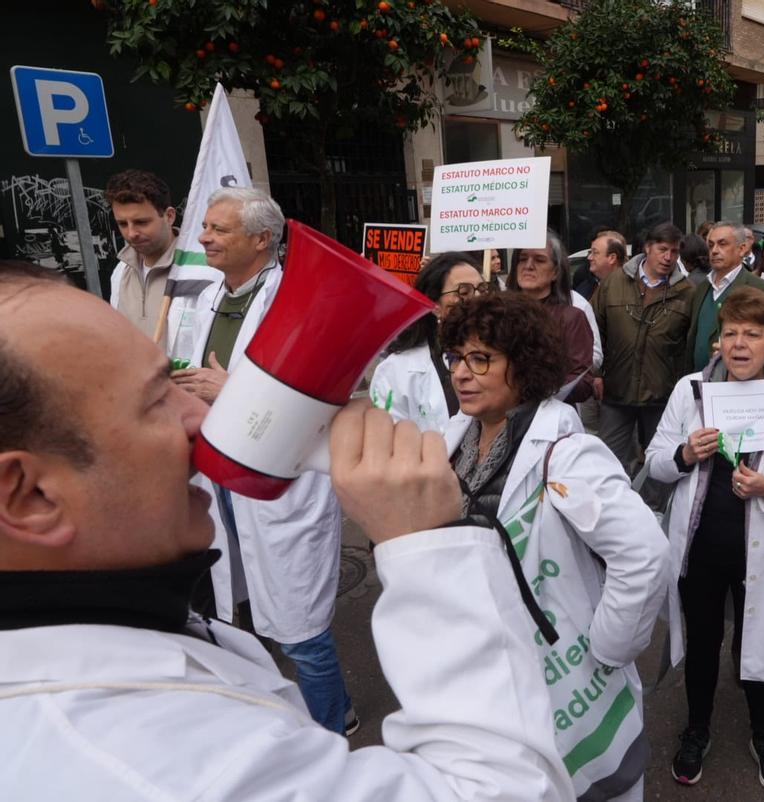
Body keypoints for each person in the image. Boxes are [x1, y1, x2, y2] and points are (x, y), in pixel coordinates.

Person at [0, 259, 574, 800]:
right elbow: (516, 789)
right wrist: (431, 548)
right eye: (155, 401)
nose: (199, 416)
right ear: (29, 495)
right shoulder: (162, 770)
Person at [440, 292, 669, 801]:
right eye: (456, 356)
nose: (461, 373)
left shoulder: (568, 455)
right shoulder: (451, 439)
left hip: (566, 673)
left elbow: (645, 553)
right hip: (483, 670)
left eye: (482, 359)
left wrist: (608, 647)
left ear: (523, 366)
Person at [172, 187, 355, 735]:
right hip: (220, 471)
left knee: (300, 626)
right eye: (205, 226)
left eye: (218, 229)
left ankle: (332, 722)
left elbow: (322, 393)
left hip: (280, 477)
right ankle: (272, 717)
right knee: (239, 609)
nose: (203, 237)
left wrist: (233, 390)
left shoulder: (299, 301)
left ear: (261, 238)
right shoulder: (203, 298)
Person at [645, 288, 764, 792]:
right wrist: (685, 454)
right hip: (701, 549)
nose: (739, 344)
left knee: (761, 646)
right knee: (704, 643)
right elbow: (654, 460)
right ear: (717, 340)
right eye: (730, 332)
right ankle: (697, 729)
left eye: (752, 334)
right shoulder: (691, 391)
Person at [592, 222, 694, 477]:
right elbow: (594, 330)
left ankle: (654, 514)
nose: (668, 257)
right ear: (647, 248)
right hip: (617, 390)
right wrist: (595, 373)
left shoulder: (687, 292)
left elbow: (687, 346)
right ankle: (610, 513)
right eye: (662, 249)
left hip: (661, 395)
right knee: (606, 462)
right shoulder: (614, 282)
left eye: (674, 252)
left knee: (658, 466)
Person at [104, 169, 218, 359]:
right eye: (123, 224)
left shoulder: (204, 268)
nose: (131, 233)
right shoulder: (122, 270)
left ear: (170, 216)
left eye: (141, 222)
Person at [370, 252, 486, 433]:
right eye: (464, 292)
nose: (477, 298)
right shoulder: (397, 371)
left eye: (482, 289)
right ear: (434, 306)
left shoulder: (505, 356)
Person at [508, 231, 596, 401]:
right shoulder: (499, 315)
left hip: (549, 417)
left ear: (556, 271)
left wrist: (532, 385)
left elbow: (583, 383)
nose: (528, 266)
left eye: (539, 260)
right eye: (522, 259)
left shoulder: (571, 318)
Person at [686, 221, 764, 372]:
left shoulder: (760, 289)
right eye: (711, 245)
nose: (714, 251)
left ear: (742, 248)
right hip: (698, 384)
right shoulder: (701, 288)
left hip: (738, 384)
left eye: (722, 244)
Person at [576, 229, 626, 301]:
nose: (589, 257)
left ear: (612, 258)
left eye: (595, 253)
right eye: (590, 252)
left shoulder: (633, 287)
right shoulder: (584, 288)